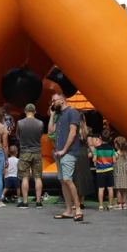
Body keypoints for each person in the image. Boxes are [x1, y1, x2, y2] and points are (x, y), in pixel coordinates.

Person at [50, 92, 84, 222]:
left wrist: (64, 150)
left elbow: (73, 132)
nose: (53, 103)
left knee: (68, 180)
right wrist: (52, 115)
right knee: (63, 180)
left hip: (68, 152)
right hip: (60, 152)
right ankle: (69, 210)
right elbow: (51, 130)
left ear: (63, 100)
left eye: (54, 101)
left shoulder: (72, 112)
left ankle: (78, 208)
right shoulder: (58, 115)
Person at [16, 103, 44, 209]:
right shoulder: (40, 123)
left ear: (25, 111)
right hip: (37, 152)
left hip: (24, 152)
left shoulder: (20, 123)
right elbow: (40, 135)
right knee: (38, 177)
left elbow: (18, 136)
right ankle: (38, 201)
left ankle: (25, 201)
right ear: (35, 112)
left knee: (25, 177)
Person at [90, 131, 115, 212]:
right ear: (110, 139)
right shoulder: (112, 149)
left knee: (101, 189)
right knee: (110, 188)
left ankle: (101, 206)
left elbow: (94, 159)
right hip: (110, 170)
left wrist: (96, 160)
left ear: (100, 138)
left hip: (100, 171)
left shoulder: (97, 149)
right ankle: (110, 205)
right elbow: (114, 160)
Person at [112, 136, 127, 210]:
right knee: (124, 190)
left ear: (117, 145)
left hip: (119, 173)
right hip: (126, 173)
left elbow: (113, 161)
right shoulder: (126, 154)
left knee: (118, 189)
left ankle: (119, 203)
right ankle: (124, 203)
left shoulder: (116, 154)